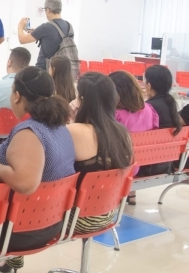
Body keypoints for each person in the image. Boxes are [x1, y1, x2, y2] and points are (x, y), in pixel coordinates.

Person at [0, 66, 76, 273]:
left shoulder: (30, 132)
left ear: (17, 96)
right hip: (51, 222)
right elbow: (9, 154)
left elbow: (25, 183)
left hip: (20, 230)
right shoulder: (58, 127)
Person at [68, 72, 134, 234]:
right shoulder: (122, 132)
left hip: (76, 217)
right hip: (108, 213)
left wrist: (71, 120)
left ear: (82, 101)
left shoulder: (73, 131)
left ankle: (13, 259)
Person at [109, 70, 158, 205]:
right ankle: (131, 193)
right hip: (142, 161)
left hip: (122, 164)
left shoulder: (117, 115)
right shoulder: (149, 109)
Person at [17, 0, 77, 74]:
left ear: (48, 10)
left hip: (45, 71)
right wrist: (38, 33)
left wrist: (20, 26)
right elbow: (54, 39)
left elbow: (22, 40)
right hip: (63, 72)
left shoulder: (46, 27)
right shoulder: (69, 26)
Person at [141, 65, 183, 176]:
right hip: (167, 162)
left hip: (148, 164)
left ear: (149, 86)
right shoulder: (171, 103)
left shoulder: (149, 107)